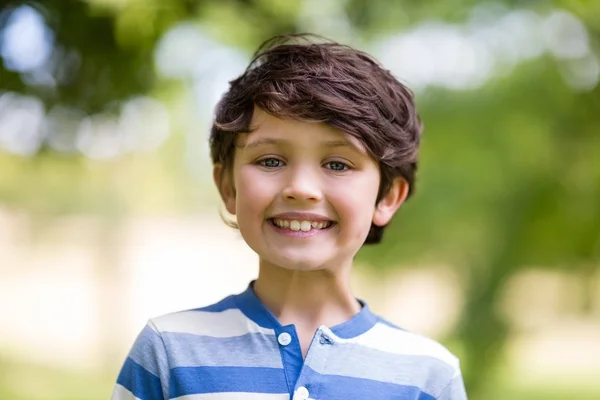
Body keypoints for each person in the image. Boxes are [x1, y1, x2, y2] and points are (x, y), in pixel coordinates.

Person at [112, 33, 468, 400]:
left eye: (337, 164)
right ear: (228, 187)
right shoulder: (168, 353)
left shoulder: (427, 376)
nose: (301, 188)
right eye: (270, 161)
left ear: (387, 197)